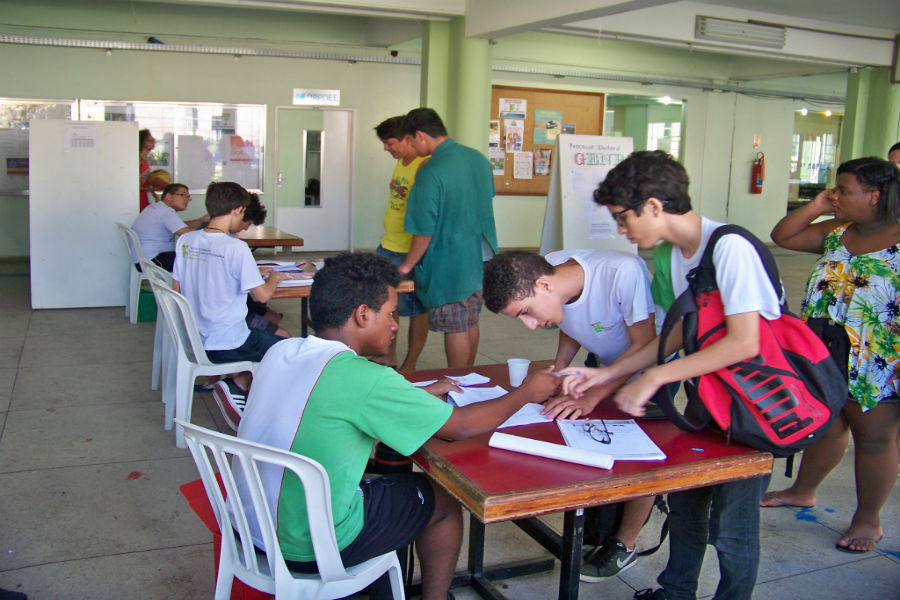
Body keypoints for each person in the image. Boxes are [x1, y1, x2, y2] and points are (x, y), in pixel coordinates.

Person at [234, 253, 559, 600]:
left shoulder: (282, 352)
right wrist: (527, 392)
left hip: (250, 526)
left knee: (392, 484)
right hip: (309, 546)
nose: (394, 325)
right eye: (390, 314)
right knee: (445, 503)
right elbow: (459, 427)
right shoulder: (364, 378)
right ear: (362, 315)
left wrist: (410, 393)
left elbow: (331, 402)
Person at [561, 150, 778, 600]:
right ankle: (676, 592)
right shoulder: (675, 253)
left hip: (756, 403)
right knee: (686, 503)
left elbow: (744, 342)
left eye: (624, 218)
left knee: (733, 527)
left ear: (655, 206)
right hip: (712, 397)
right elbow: (678, 332)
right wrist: (612, 373)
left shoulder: (730, 246)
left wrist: (657, 378)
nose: (622, 230)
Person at [483, 249, 659, 580]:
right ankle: (599, 523)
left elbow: (645, 344)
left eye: (526, 313)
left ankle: (626, 543)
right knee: (589, 439)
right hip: (602, 365)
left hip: (650, 371)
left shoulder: (622, 271)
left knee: (643, 456)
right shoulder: (555, 267)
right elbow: (569, 318)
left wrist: (594, 395)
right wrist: (560, 368)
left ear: (543, 285)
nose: (531, 325)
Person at [760, 157, 900, 554]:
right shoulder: (838, 232)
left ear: (874, 196)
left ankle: (868, 519)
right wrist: (819, 205)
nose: (836, 196)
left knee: (874, 439)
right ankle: (803, 490)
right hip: (822, 349)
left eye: (844, 191)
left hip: (877, 359)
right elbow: (784, 236)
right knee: (825, 424)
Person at [172, 182, 288, 427]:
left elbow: (177, 289)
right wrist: (275, 277)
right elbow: (263, 297)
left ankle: (238, 384)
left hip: (194, 340)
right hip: (229, 342)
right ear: (237, 210)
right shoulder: (237, 248)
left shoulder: (185, 241)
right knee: (288, 350)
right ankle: (238, 385)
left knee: (270, 341)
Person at [398, 108, 498, 368]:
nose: (410, 146)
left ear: (420, 136)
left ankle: (458, 382)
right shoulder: (478, 159)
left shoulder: (432, 170)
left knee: (455, 326)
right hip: (480, 254)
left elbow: (424, 229)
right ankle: (469, 377)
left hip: (450, 259)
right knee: (470, 320)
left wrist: (407, 266)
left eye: (410, 141)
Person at [373, 115, 430, 371]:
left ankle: (411, 363)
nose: (386, 148)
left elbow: (426, 215)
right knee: (386, 305)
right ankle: (389, 356)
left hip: (410, 250)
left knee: (417, 309)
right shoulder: (402, 161)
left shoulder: (423, 164)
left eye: (390, 143)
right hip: (388, 244)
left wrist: (412, 260)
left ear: (408, 139)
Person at [131, 183, 207, 271]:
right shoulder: (166, 211)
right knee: (200, 258)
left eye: (188, 197)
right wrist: (211, 228)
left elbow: (179, 225)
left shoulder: (158, 207)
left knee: (194, 257)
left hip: (144, 258)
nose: (186, 200)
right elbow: (185, 233)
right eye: (182, 195)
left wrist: (201, 221)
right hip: (152, 260)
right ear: (168, 196)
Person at [138, 129, 155, 211]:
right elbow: (131, 185)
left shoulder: (145, 161)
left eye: (153, 140)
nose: (153, 142)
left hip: (145, 200)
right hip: (137, 201)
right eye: (149, 140)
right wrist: (150, 189)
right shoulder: (137, 160)